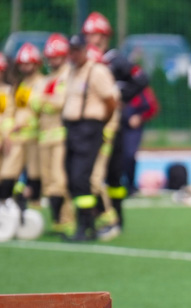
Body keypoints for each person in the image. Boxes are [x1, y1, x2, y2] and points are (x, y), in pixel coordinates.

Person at [83, 11, 149, 233]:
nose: (92, 39)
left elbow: (141, 79)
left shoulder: (116, 60)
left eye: (95, 34)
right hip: (90, 125)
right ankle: (95, 217)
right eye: (89, 34)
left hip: (112, 124)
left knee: (113, 174)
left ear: (104, 36)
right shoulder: (86, 60)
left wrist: (122, 95)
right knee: (89, 174)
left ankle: (116, 218)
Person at [61, 34, 116, 242]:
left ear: (85, 50)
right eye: (71, 51)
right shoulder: (73, 71)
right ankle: (86, 224)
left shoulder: (96, 71)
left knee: (81, 178)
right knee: (71, 177)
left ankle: (85, 226)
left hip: (89, 128)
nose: (73, 55)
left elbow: (110, 101)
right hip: (73, 128)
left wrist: (100, 123)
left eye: (76, 50)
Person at [33, 34, 74, 235]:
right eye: (50, 57)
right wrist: (46, 102)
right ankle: (57, 222)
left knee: (60, 181)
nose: (52, 61)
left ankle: (67, 220)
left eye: (56, 57)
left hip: (60, 137)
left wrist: (44, 101)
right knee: (48, 183)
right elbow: (33, 103)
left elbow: (60, 103)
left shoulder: (68, 76)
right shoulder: (46, 79)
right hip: (44, 137)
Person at [0, 43, 44, 210]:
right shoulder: (21, 85)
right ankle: (10, 206)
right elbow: (14, 111)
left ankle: (31, 210)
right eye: (22, 64)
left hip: (34, 138)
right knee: (8, 175)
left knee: (35, 176)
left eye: (28, 63)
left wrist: (21, 124)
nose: (25, 67)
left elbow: (36, 111)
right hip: (17, 138)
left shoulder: (41, 83)